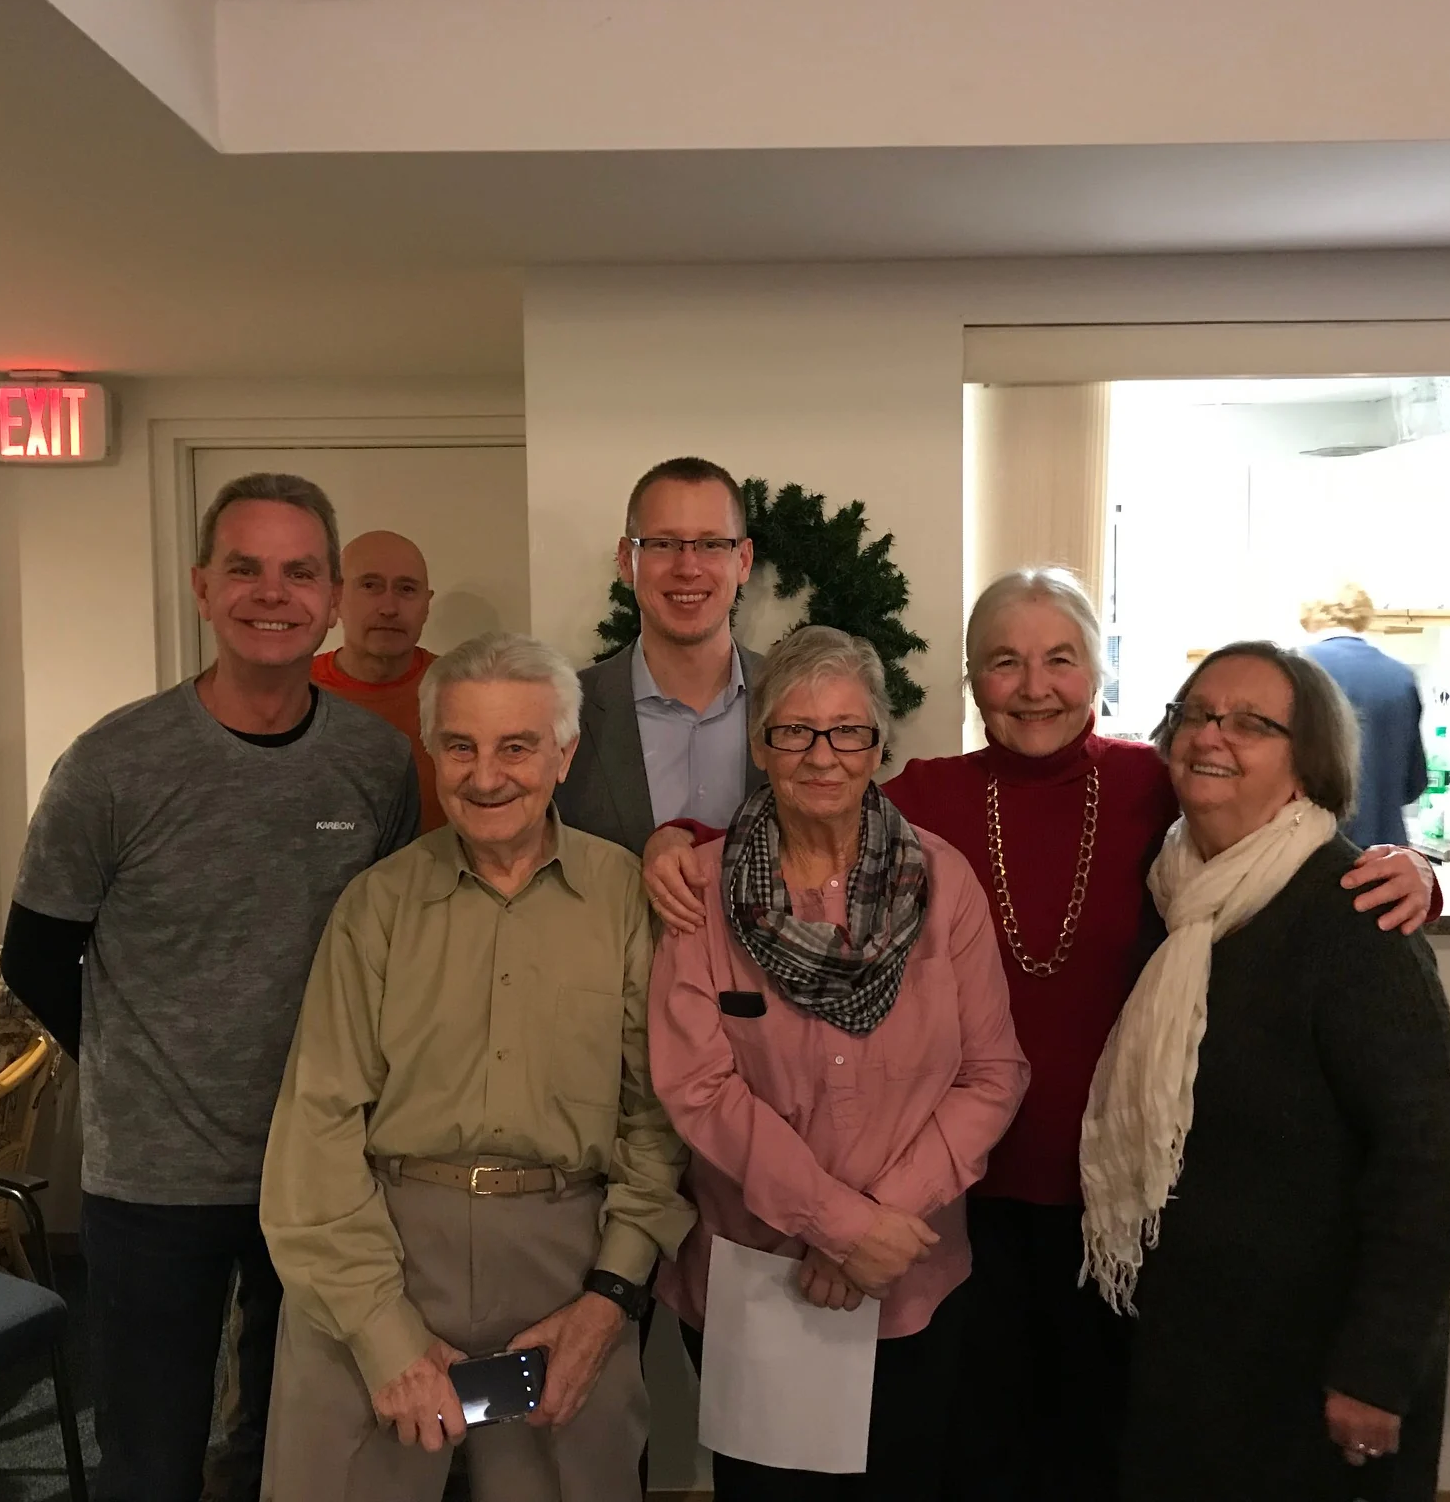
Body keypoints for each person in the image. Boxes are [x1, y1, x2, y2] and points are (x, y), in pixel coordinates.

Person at [643, 568, 1441, 1501]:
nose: (1033, 687)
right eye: (1004, 663)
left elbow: (1285, 839)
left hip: (1121, 1197)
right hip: (959, 1207)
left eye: (1060, 660)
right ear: (973, 682)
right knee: (970, 1457)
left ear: (1098, 672)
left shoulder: (1159, 781)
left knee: (1104, 1450)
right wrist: (674, 840)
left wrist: (1414, 864)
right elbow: (806, 801)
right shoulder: (929, 797)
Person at [1, 472, 420, 1502]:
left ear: (329, 598)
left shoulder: (375, 762)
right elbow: (35, 954)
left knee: (292, 1450)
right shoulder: (112, 766)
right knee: (152, 1455)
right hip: (154, 1182)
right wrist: (145, 1069)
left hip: (322, 1169)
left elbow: (394, 946)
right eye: (245, 568)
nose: (270, 594)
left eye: (298, 572)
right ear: (201, 588)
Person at [259, 632, 696, 1502]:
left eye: (517, 747)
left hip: (565, 1264)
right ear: (432, 752)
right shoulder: (375, 908)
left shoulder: (625, 902)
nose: (486, 775)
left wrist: (610, 1297)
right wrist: (384, 1339)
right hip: (377, 1252)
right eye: (461, 745)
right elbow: (317, 1128)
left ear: (565, 757)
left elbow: (657, 1119)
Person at [648, 625, 1029, 1502]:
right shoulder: (700, 892)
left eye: (848, 730)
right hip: (759, 1279)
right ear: (761, 744)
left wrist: (870, 1228)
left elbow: (993, 1074)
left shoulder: (947, 883)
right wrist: (837, 1226)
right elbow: (698, 1089)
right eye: (795, 730)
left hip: (911, 1273)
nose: (822, 755)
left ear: (879, 744)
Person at [1087, 640, 1450, 1501]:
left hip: (1312, 1361)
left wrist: (1376, 1371)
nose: (1212, 736)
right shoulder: (1173, 894)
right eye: (1196, 713)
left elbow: (1426, 1165)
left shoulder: (1354, 918)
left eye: (1252, 723)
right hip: (1192, 1347)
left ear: (1308, 765)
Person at [556, 456, 765, 856]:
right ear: (625, 560)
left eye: (710, 544)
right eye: (663, 544)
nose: (688, 568)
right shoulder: (564, 712)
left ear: (743, 560)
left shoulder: (796, 704)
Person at [313, 528, 445, 831]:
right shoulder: (291, 693)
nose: (389, 608)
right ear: (335, 598)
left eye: (407, 589)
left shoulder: (461, 690)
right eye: (370, 586)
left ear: (427, 604)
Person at [1300, 584, 1428, 848]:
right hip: (1388, 859)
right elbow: (1414, 784)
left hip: (1316, 855)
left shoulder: (1298, 670)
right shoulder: (1401, 676)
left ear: (1310, 617)